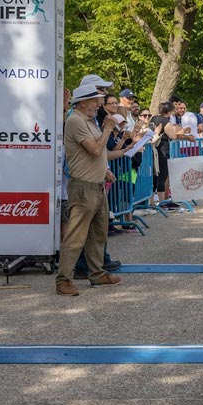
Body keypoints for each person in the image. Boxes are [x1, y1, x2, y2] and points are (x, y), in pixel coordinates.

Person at [57, 84, 125, 295]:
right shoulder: (76, 121)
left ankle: (97, 274)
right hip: (84, 187)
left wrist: (104, 170)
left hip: (95, 185)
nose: (99, 104)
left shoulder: (88, 120)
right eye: (95, 100)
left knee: (98, 234)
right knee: (76, 236)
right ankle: (63, 280)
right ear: (84, 101)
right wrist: (106, 129)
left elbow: (98, 150)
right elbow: (95, 149)